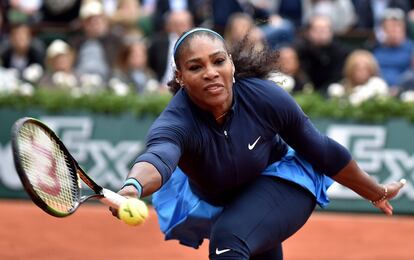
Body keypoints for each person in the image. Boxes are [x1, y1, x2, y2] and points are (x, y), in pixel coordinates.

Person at [110, 28, 405, 259]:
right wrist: (132, 187)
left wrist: (374, 191)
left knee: (230, 239)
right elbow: (158, 157)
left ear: (231, 65)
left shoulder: (264, 97)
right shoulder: (177, 121)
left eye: (218, 61)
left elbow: (323, 150)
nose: (211, 72)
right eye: (196, 67)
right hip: (226, 199)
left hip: (283, 181)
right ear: (181, 77)